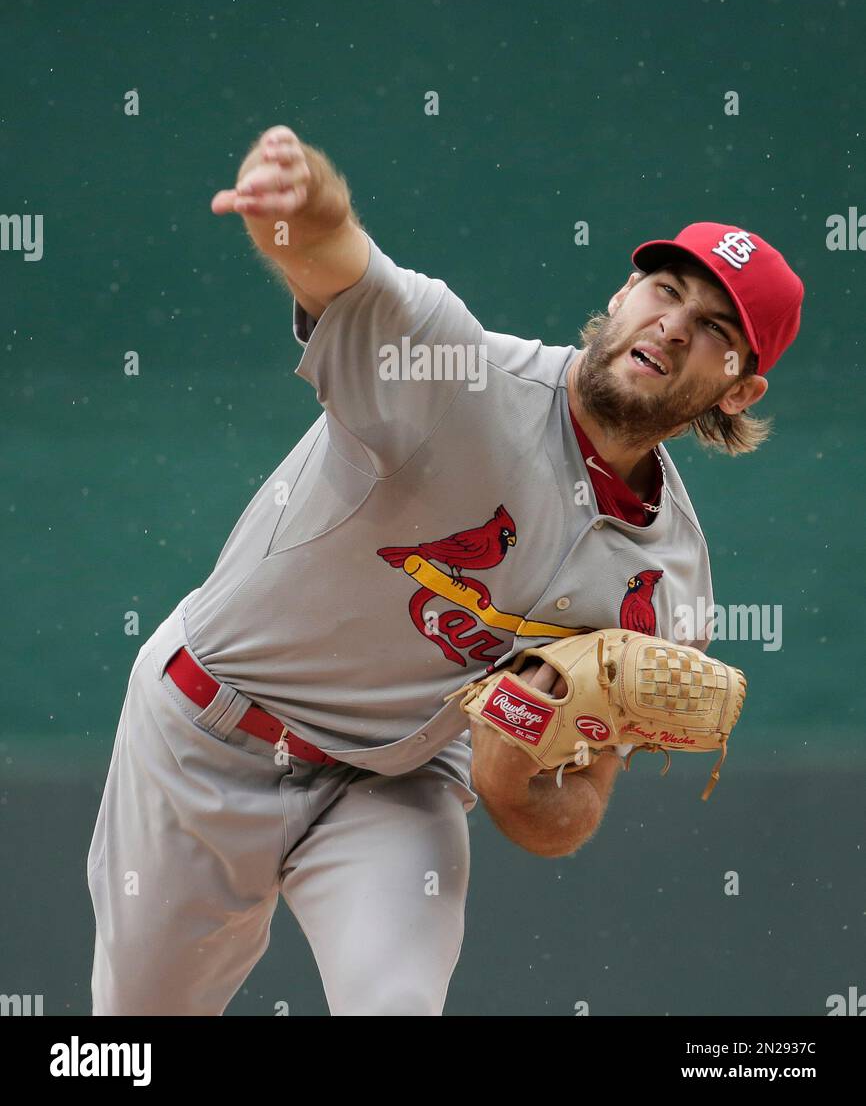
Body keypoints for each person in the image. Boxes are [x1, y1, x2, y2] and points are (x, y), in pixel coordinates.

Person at [86, 126, 804, 1016]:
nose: (671, 324)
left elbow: (571, 813)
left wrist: (509, 773)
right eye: (664, 289)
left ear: (738, 389)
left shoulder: (672, 588)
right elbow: (343, 265)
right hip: (206, 730)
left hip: (396, 784)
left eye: (714, 330)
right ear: (624, 292)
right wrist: (307, 210)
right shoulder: (458, 378)